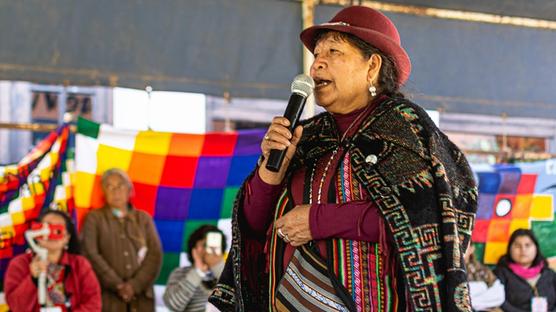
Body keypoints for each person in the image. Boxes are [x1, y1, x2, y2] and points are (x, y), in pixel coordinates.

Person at [209, 5, 477, 312]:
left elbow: (431, 219)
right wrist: (270, 173)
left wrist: (318, 220)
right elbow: (254, 226)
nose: (316, 66)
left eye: (334, 51)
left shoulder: (406, 131)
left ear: (372, 66)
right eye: (316, 55)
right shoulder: (306, 137)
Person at [81, 168, 162, 312]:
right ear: (103, 192)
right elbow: (90, 254)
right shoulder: (94, 218)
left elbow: (155, 255)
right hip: (108, 299)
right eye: (109, 186)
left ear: (129, 190)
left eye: (120, 185)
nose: (115, 191)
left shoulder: (143, 218)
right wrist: (118, 285)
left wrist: (134, 285)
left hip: (142, 299)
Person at [4, 209, 102, 311]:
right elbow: (16, 306)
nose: (51, 233)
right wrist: (32, 279)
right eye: (46, 228)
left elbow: (93, 304)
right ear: (37, 234)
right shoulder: (19, 264)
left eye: (58, 230)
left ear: (67, 238)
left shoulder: (80, 264)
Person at [163, 225, 227, 312]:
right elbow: (173, 305)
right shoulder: (180, 273)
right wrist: (198, 271)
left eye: (215, 246)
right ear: (194, 249)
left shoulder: (231, 275)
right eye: (205, 245)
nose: (209, 250)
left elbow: (240, 301)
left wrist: (218, 267)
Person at [494, 229, 556, 311]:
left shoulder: (549, 274)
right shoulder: (500, 274)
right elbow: (499, 302)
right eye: (517, 246)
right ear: (509, 249)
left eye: (527, 245)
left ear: (536, 248)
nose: (523, 250)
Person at [464, 242, 504, 311]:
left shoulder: (482, 270)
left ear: (471, 249)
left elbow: (499, 295)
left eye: (463, 246)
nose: (457, 250)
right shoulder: (446, 272)